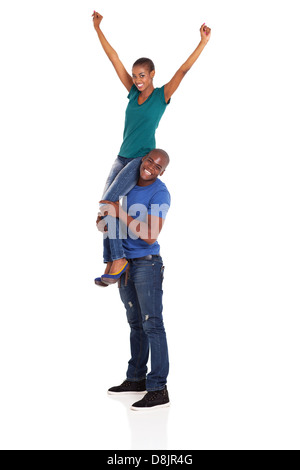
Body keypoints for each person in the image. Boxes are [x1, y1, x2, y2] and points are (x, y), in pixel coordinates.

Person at [92, 11, 211, 280]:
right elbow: (114, 60)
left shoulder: (161, 96)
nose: (137, 80)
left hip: (139, 159)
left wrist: (202, 42)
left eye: (142, 75)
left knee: (110, 202)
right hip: (121, 157)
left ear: (153, 74)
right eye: (135, 76)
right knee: (104, 207)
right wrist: (98, 29)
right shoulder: (133, 92)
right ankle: (113, 259)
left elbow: (183, 70)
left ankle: (117, 259)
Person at [96, 149, 171, 410]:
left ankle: (159, 389)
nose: (151, 166)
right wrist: (105, 217)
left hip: (147, 264)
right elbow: (106, 226)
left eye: (158, 165)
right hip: (125, 263)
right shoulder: (124, 186)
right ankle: (136, 378)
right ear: (142, 160)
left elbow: (150, 235)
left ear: (162, 172)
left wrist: (119, 213)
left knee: (152, 324)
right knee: (135, 325)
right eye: (149, 160)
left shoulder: (160, 192)